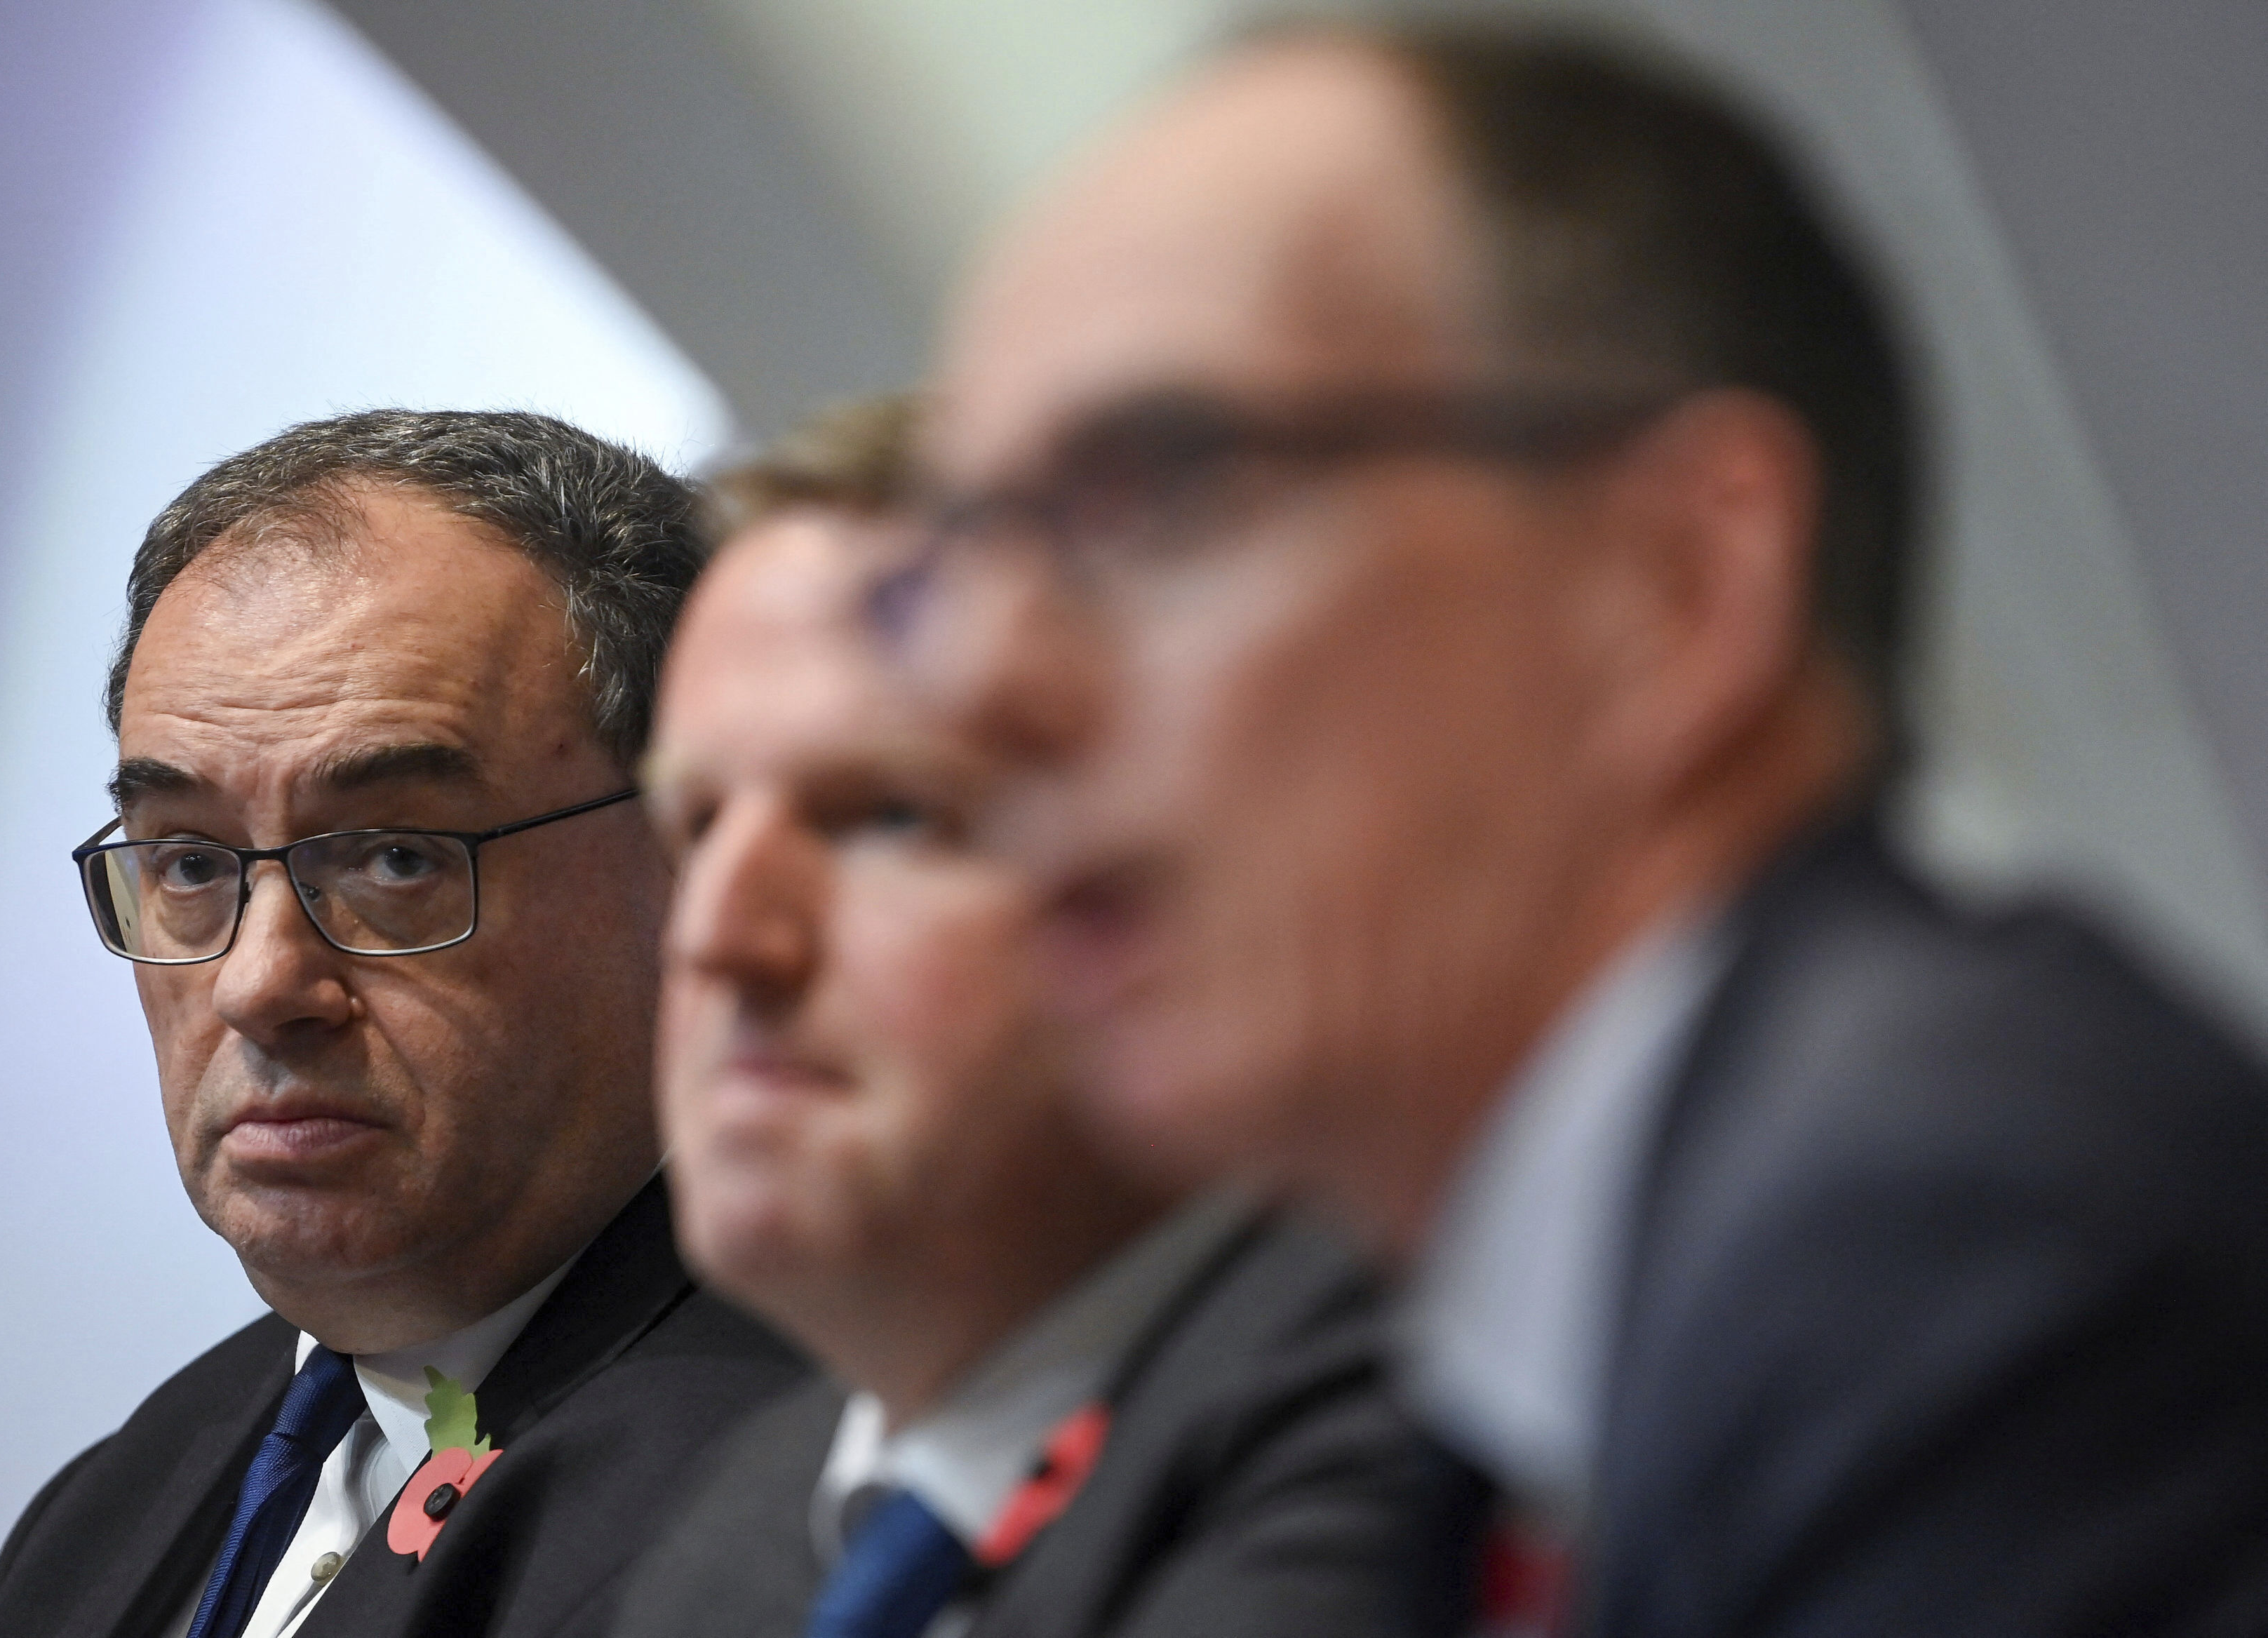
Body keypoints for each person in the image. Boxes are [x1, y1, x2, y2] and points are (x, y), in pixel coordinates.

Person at [883, 22, 2268, 1634]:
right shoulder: (1556, 1372)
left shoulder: (1954, 1231)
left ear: (1672, 587)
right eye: (955, 558)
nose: (973, 687)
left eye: (1157, 490)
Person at [614, 398, 1459, 1638]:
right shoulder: (746, 1517)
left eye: (892, 816)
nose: (719, 938)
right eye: (695, 827)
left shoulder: (1407, 1426)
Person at [0, 410, 805, 1638]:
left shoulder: (793, 1514)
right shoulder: (111, 1504)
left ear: (695, 865)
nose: (258, 985)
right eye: (189, 863)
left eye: (398, 857)